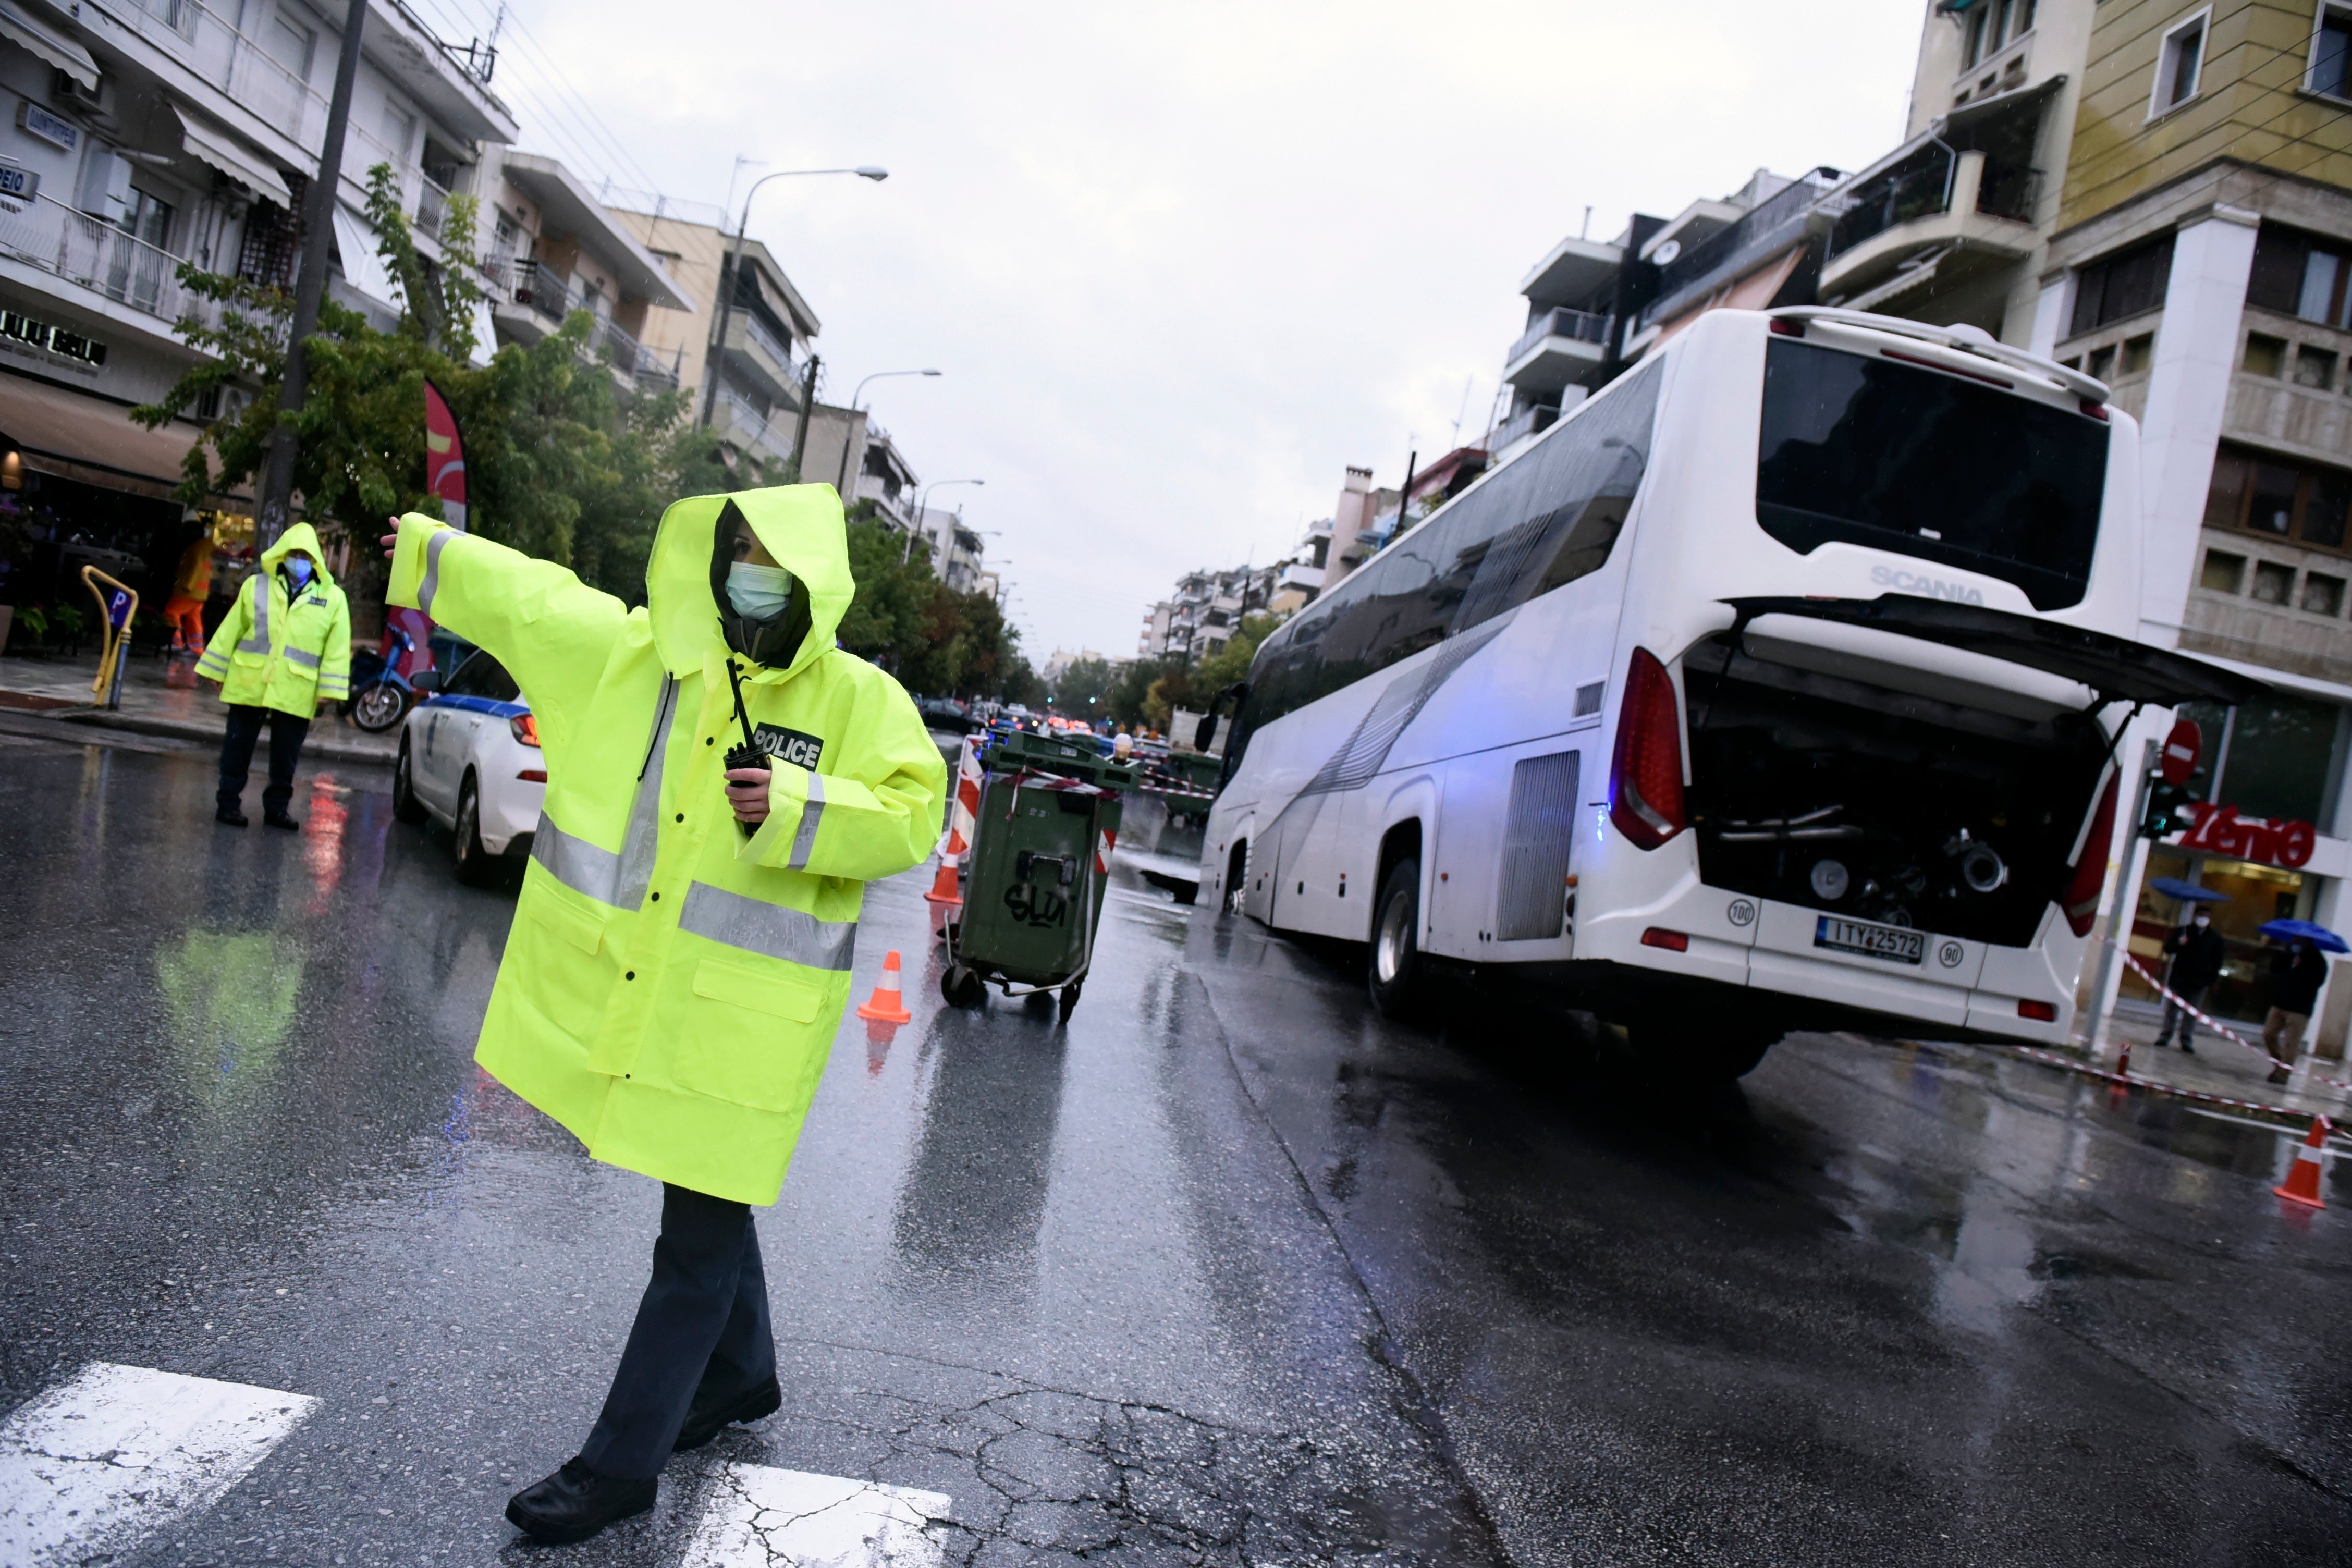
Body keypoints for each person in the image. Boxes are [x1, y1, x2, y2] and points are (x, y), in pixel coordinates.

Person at [377, 486, 944, 1545]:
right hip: (647, 1001)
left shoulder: (860, 701)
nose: (750, 570)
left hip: (749, 1031)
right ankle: (743, 1374)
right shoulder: (638, 656)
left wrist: (798, 806)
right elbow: (531, 602)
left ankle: (618, 1465)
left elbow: (917, 812)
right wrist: (426, 551)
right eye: (737, 550)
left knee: (696, 1240)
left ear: (812, 573)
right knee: (710, 1201)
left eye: (772, 556)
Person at [193, 522, 351, 829]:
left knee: (285, 757)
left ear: (316, 559)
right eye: (293, 553)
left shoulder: (333, 599)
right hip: (249, 681)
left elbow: (337, 649)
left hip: (296, 689)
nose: (299, 559)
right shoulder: (256, 586)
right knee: (237, 748)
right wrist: (217, 669)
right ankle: (228, 804)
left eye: (305, 554)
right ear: (282, 554)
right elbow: (231, 630)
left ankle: (276, 810)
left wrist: (328, 692)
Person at [2152, 909, 2227, 1052]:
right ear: (2195, 917)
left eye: (2206, 917)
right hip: (2179, 979)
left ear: (2210, 919)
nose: (2203, 919)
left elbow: (2217, 962)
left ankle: (2186, 1039)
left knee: (2192, 1013)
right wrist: (2179, 943)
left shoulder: (2214, 938)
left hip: (2199, 982)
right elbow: (2168, 949)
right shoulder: (2184, 931)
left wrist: (2210, 981)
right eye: (2200, 916)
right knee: (2172, 1010)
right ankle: (2165, 1035)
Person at [2263, 937, 2328, 1085]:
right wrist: (2286, 957)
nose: (2296, 944)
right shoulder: (2288, 954)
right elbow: (2275, 969)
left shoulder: (2317, 960)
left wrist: (2300, 969)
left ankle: (2283, 1075)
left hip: (2299, 1009)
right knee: (2269, 1034)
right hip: (2280, 1003)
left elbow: (2317, 981)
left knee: (2291, 1043)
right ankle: (2280, 1064)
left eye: (2300, 941)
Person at [162, 522, 214, 654]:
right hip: (200, 593)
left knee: (171, 611)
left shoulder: (195, 549)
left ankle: (175, 642)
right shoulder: (204, 547)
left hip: (189, 591)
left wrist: (187, 585)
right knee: (194, 617)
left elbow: (195, 568)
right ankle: (196, 647)